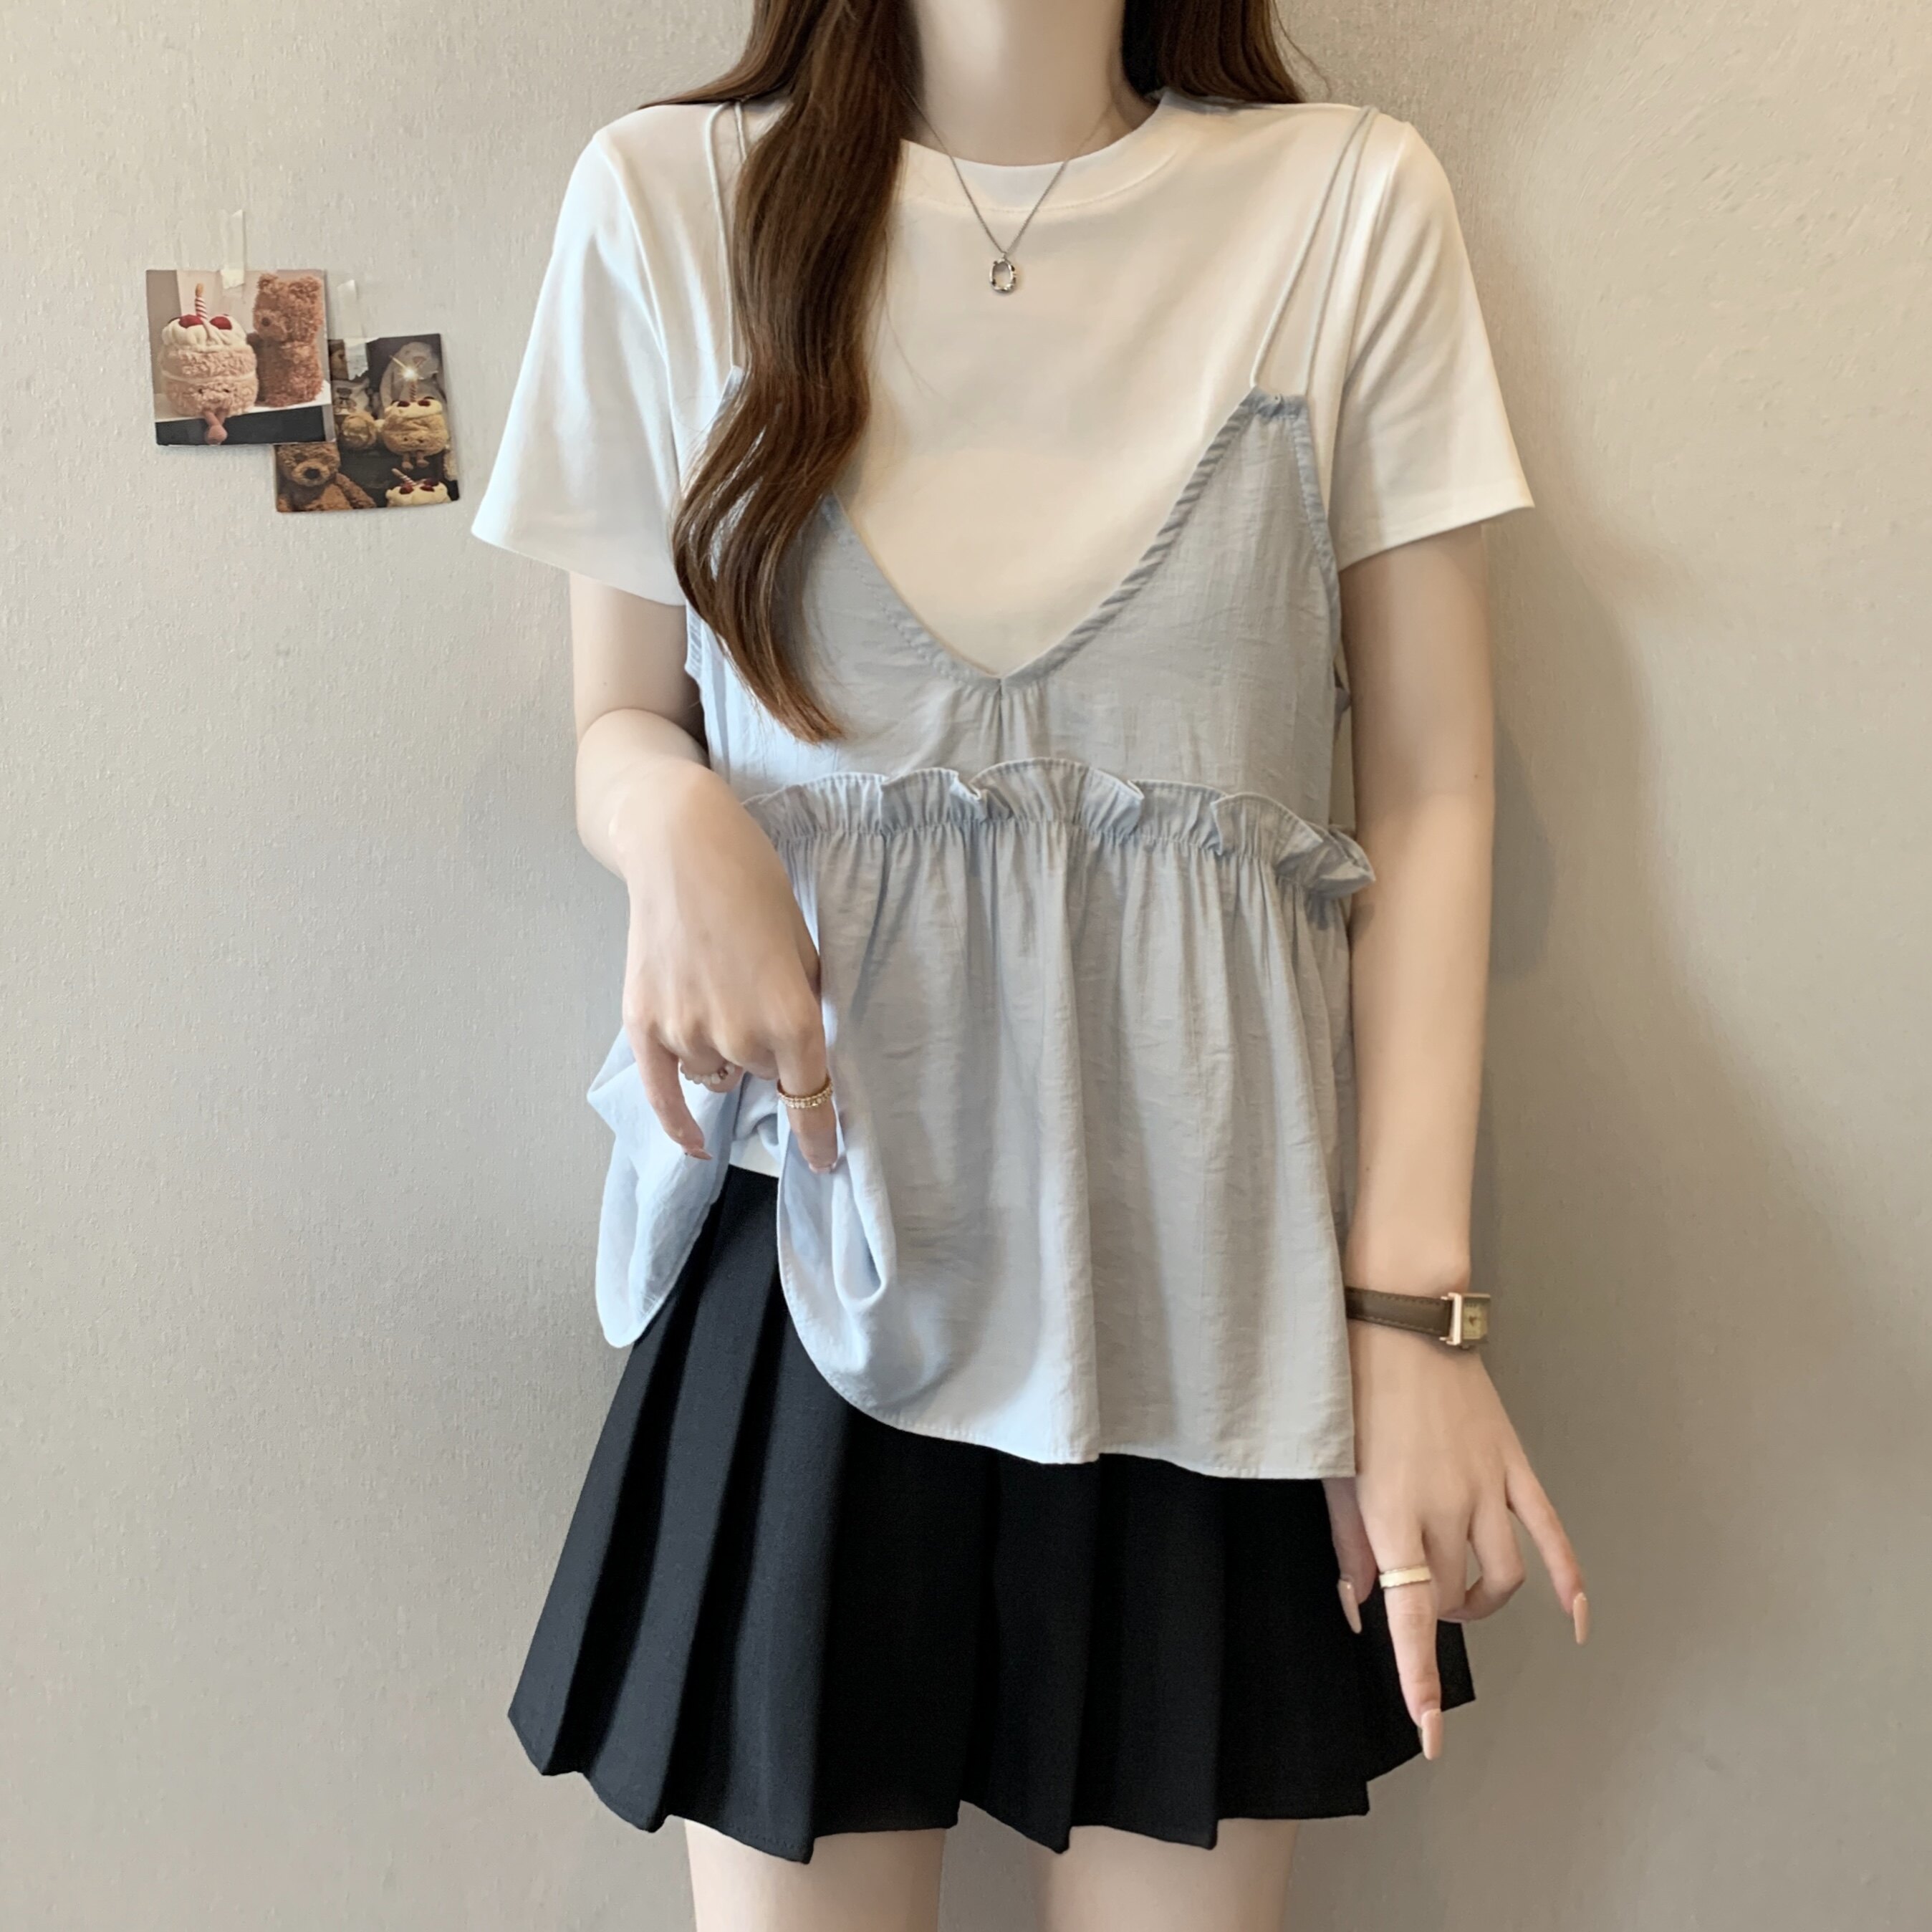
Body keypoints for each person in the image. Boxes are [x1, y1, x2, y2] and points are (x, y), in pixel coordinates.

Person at [471, 2, 1588, 1926]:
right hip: (815, 1251)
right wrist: (666, 816)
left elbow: (1431, 793)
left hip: (1212, 1290)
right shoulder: (664, 201)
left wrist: (1412, 1324)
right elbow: (615, 717)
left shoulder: (1346, 210)